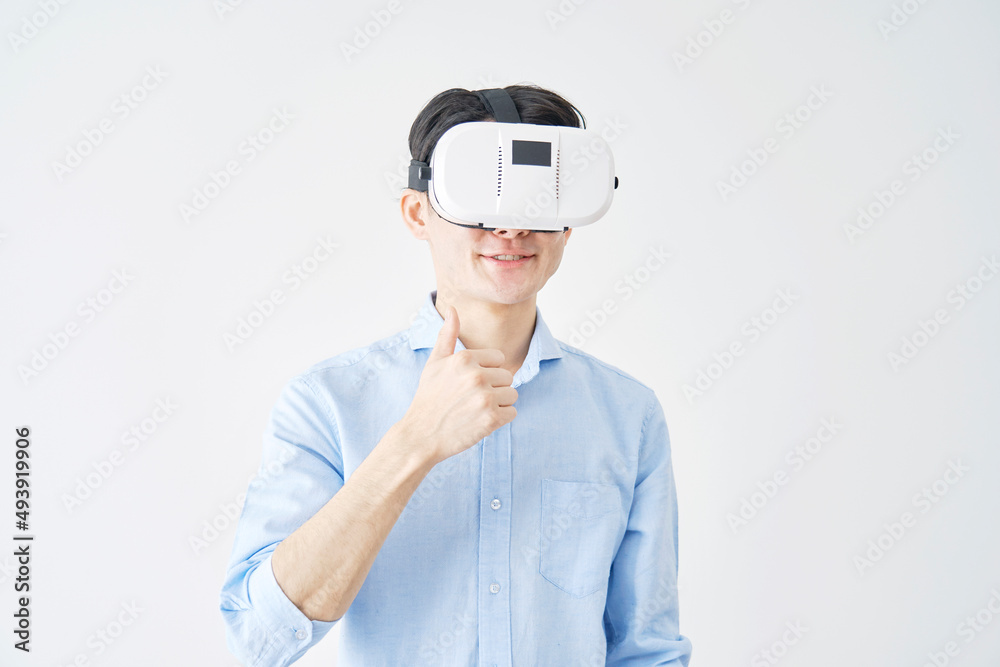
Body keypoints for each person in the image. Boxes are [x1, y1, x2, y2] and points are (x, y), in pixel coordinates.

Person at [220, 84, 693, 666]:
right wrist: (413, 443)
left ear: (568, 223)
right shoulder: (327, 402)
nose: (511, 229)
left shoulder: (629, 415)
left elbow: (647, 650)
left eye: (536, 203)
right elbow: (258, 638)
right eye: (481, 199)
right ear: (417, 213)